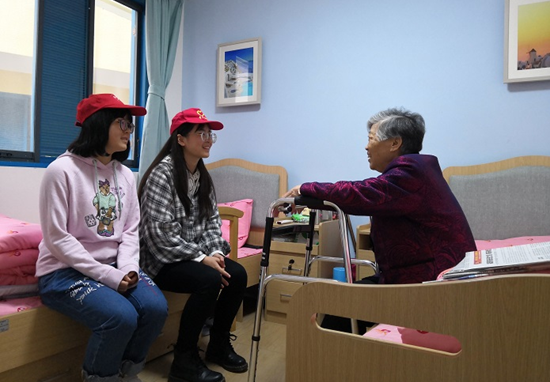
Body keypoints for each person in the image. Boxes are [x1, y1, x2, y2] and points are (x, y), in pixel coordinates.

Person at [35, 93, 168, 382]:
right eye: (122, 123)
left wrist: (128, 267)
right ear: (98, 124)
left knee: (156, 308)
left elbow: (130, 230)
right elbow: (57, 238)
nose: (129, 131)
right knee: (121, 317)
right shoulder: (60, 171)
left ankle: (126, 373)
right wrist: (108, 275)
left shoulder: (126, 175)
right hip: (63, 271)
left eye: (130, 125)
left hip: (114, 266)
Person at [286, 107, 476, 285]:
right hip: (413, 274)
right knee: (334, 300)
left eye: (371, 139)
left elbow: (359, 193)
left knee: (333, 304)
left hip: (431, 282)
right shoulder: (416, 169)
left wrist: (305, 188)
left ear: (395, 143)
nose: (366, 147)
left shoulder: (410, 172)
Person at [138, 108, 248, 382]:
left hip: (193, 256)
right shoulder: (162, 175)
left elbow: (212, 223)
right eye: (201, 133)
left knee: (237, 274)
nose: (208, 139)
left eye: (210, 134)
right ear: (181, 139)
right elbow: (160, 236)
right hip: (161, 260)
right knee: (209, 279)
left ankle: (218, 345)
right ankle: (184, 360)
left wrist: (215, 252)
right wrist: (202, 258)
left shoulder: (202, 176)